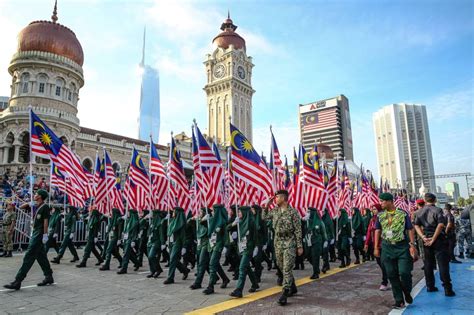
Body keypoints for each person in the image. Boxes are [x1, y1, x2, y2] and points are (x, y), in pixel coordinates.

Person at [374, 192, 418, 309]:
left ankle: (407, 291)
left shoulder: (402, 214)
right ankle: (399, 300)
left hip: (402, 247)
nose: (381, 203)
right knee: (391, 275)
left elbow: (409, 229)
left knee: (404, 272)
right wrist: (376, 248)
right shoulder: (380, 215)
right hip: (387, 247)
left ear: (389, 201)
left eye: (382, 201)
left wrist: (412, 245)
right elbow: (377, 230)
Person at [4, 189, 54, 290]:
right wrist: (29, 203)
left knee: (29, 256)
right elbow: (21, 207)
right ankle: (49, 276)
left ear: (40, 196)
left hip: (39, 234)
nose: (34, 195)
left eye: (36, 194)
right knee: (41, 257)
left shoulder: (45, 207)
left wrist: (45, 235)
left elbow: (45, 222)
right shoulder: (36, 205)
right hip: (35, 232)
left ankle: (18, 280)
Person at [263, 190, 303, 306]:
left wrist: (299, 246)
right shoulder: (274, 211)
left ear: (283, 198)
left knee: (286, 267)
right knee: (281, 267)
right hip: (278, 242)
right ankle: (293, 286)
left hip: (289, 241)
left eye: (277, 197)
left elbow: (298, 230)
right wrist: (267, 205)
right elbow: (264, 217)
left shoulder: (293, 212)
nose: (275, 199)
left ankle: (285, 293)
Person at [414, 193, 455, 297]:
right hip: (438, 240)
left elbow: (416, 226)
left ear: (425, 200)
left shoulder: (419, 212)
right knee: (443, 264)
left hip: (426, 239)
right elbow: (441, 225)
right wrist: (434, 238)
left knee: (428, 264)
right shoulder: (438, 210)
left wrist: (423, 237)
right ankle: (447, 289)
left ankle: (430, 286)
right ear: (435, 200)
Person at [203, 204, 230, 295]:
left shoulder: (222, 222)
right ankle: (225, 279)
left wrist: (226, 246)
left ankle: (210, 286)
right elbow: (201, 223)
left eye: (214, 211)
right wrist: (204, 218)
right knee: (216, 264)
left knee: (212, 264)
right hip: (211, 244)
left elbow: (225, 235)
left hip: (218, 245)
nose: (212, 212)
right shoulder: (211, 220)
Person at [364, 203, 389, 291]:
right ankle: (389, 275)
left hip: (383, 244)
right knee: (380, 263)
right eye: (372, 209)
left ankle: (384, 282)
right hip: (375, 244)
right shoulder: (372, 220)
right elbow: (369, 231)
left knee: (383, 263)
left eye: (375, 209)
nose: (373, 211)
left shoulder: (384, 218)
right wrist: (366, 243)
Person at [163, 207, 190, 284]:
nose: (173, 213)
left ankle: (170, 277)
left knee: (172, 259)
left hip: (177, 243)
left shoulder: (181, 223)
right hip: (171, 242)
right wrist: (167, 242)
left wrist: (184, 246)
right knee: (174, 260)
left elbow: (183, 236)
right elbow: (169, 233)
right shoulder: (172, 221)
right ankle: (185, 270)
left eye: (174, 211)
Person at [306, 207, 328, 279]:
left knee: (315, 257)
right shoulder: (308, 221)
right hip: (309, 242)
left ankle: (315, 273)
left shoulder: (319, 222)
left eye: (309, 212)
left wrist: (325, 241)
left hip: (317, 242)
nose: (308, 213)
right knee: (309, 256)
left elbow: (323, 232)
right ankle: (317, 268)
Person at [117, 209, 140, 274]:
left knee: (126, 254)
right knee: (128, 254)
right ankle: (137, 263)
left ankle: (124, 268)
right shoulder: (128, 220)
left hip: (130, 239)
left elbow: (135, 232)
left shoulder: (135, 221)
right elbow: (118, 220)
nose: (127, 213)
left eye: (128, 212)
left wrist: (133, 241)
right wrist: (122, 217)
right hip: (126, 238)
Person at [146, 209, 164, 278]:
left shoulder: (159, 223)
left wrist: (162, 243)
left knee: (151, 256)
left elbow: (161, 234)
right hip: (150, 241)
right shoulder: (152, 222)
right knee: (149, 258)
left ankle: (158, 269)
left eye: (152, 213)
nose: (151, 214)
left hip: (156, 242)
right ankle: (152, 271)